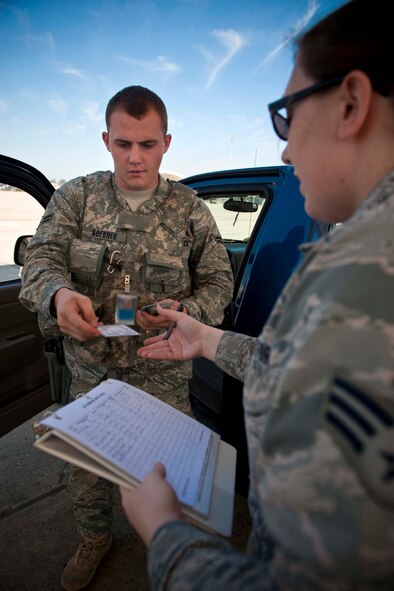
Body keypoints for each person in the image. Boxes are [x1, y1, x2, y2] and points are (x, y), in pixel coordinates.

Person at [119, 1, 394, 589]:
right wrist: (212, 340)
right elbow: (303, 369)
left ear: (351, 103)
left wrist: (166, 535)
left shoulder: (366, 279)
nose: (286, 151)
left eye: (287, 118)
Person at [19, 85, 233, 590]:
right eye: (123, 144)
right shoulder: (78, 196)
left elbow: (220, 283)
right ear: (106, 140)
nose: (135, 157)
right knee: (86, 470)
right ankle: (95, 538)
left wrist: (188, 311)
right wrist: (56, 296)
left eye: (147, 144)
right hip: (91, 368)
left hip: (163, 372)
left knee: (171, 475)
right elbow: (41, 259)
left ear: (166, 142)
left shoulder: (190, 211)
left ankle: (172, 549)